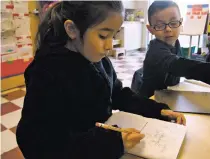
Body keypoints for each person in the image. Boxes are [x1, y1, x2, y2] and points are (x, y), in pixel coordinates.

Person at [16, 1, 186, 159]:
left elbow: (117, 94)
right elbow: (34, 142)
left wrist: (156, 110)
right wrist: (111, 143)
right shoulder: (46, 72)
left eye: (114, 35)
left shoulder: (97, 59)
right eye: (103, 36)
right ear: (72, 29)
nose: (110, 45)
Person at [132, 1, 210, 97]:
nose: (168, 29)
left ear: (180, 22)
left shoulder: (175, 42)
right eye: (160, 25)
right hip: (150, 100)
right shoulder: (156, 52)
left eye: (173, 23)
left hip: (169, 93)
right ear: (151, 29)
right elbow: (183, 66)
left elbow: (189, 61)